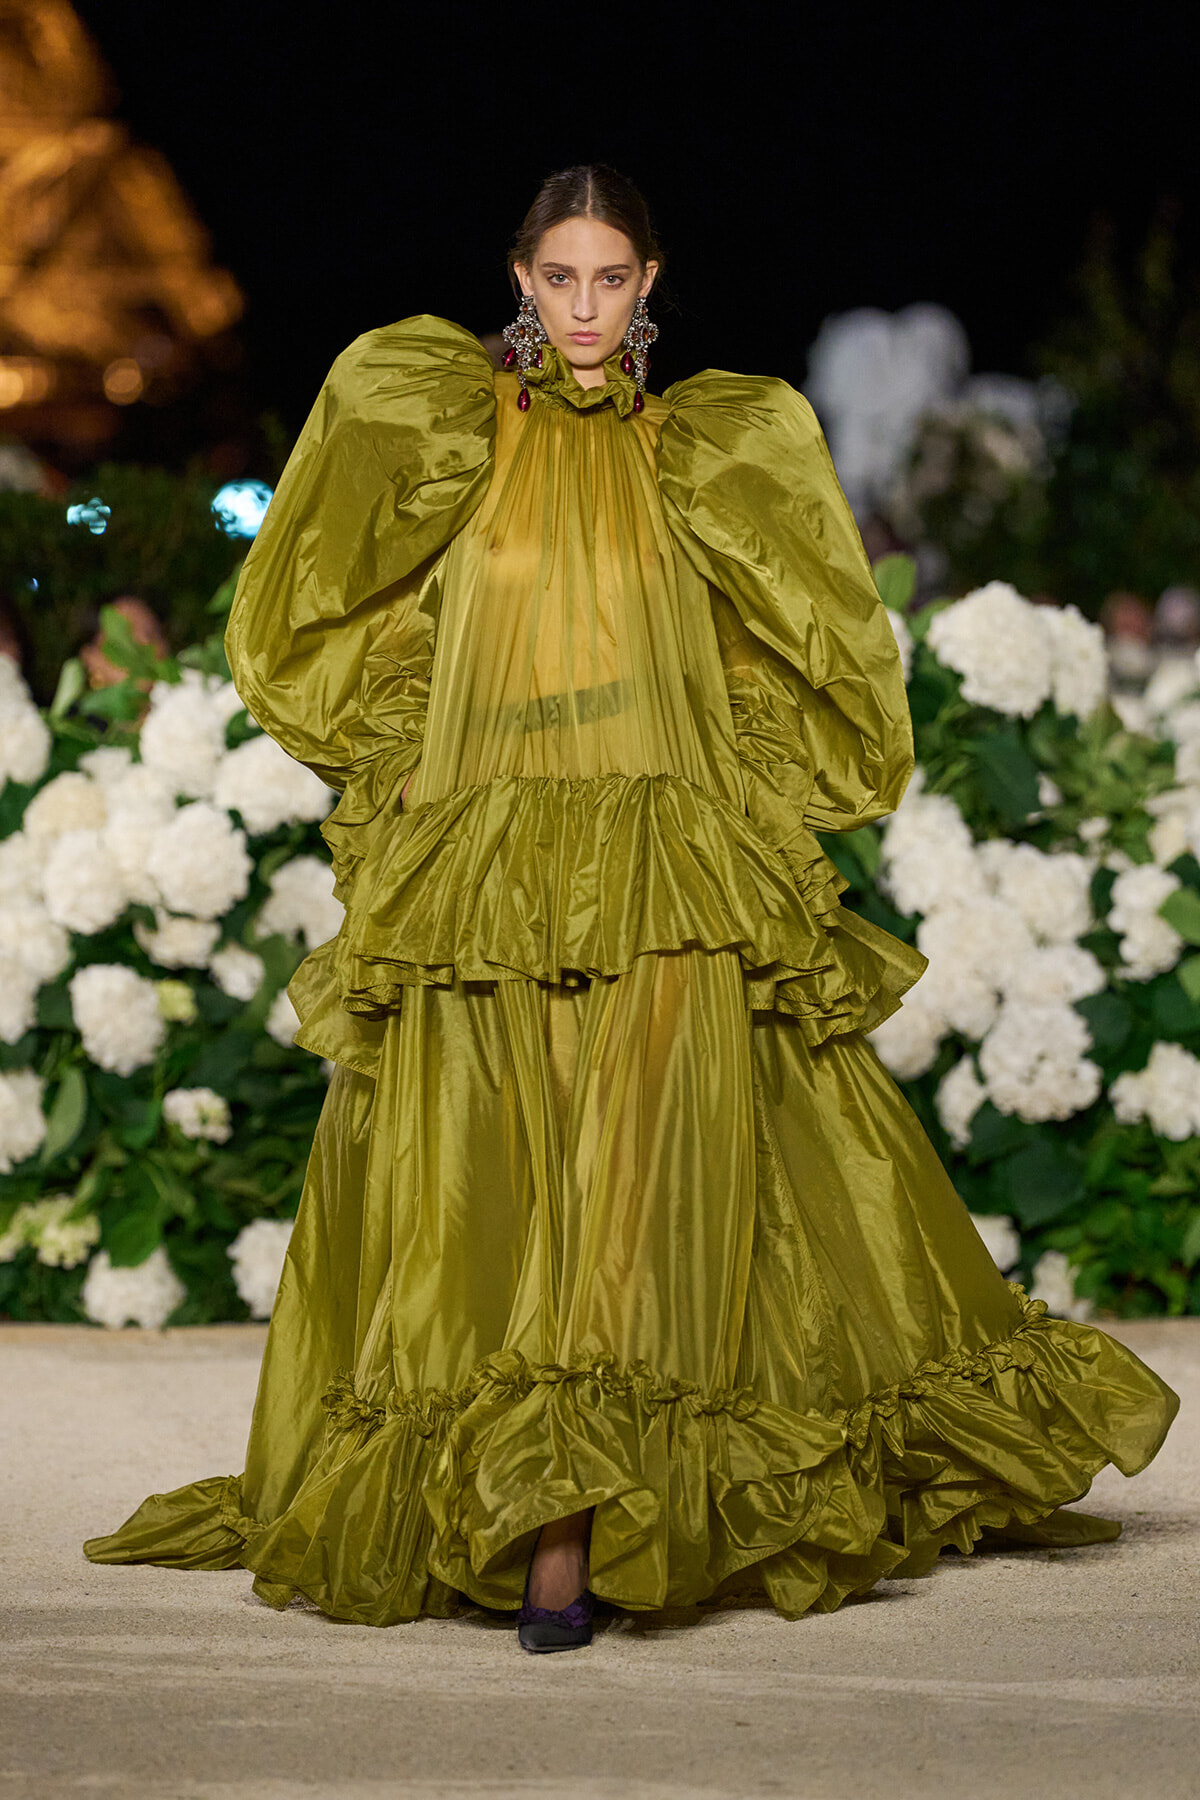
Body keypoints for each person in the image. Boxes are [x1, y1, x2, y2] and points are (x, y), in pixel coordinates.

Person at [85, 164, 1178, 1654]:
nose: (587, 307)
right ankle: (530, 1488)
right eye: (562, 279)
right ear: (520, 280)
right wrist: (408, 756)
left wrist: (747, 789)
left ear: (650, 283)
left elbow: (786, 637)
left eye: (613, 280)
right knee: (504, 1173)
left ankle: (569, 1524)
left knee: (641, 1172)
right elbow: (329, 604)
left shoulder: (715, 448)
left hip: (667, 843)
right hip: (490, 859)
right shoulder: (445, 425)